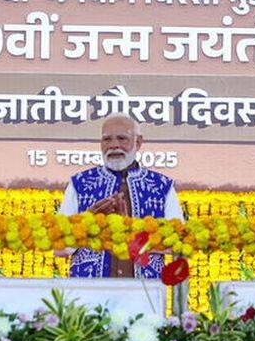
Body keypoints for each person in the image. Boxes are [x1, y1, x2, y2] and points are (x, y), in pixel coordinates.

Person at [58, 114, 182, 278]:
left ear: (137, 142)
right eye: (107, 139)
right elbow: (58, 248)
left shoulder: (160, 186)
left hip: (144, 294)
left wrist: (135, 237)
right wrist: (86, 223)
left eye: (122, 138)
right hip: (89, 293)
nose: (114, 145)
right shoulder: (81, 183)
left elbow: (180, 243)